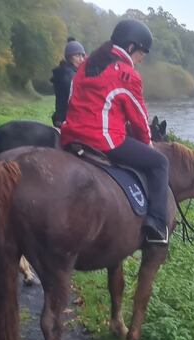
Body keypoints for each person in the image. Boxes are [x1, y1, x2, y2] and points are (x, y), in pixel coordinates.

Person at [60, 19, 170, 244]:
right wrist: (146, 143)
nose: (140, 60)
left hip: (70, 136)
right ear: (130, 47)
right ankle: (157, 224)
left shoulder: (86, 65)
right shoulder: (127, 75)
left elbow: (72, 101)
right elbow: (139, 119)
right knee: (160, 163)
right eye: (142, 54)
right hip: (103, 140)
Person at [50, 37, 86, 127]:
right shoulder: (69, 76)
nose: (81, 59)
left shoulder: (66, 72)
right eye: (77, 56)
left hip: (62, 117)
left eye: (82, 56)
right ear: (69, 57)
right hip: (67, 120)